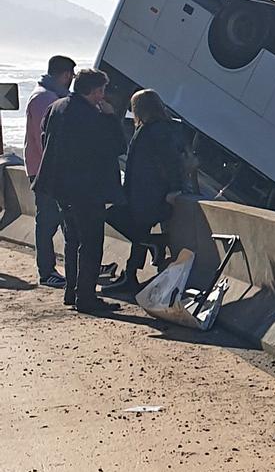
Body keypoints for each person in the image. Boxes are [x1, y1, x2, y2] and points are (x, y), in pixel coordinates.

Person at [34, 68, 126, 314]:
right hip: (87, 189)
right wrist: (111, 117)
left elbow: (45, 139)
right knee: (91, 243)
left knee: (72, 239)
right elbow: (117, 146)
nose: (103, 96)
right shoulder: (92, 117)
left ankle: (71, 291)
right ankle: (86, 298)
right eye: (102, 90)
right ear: (94, 91)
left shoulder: (57, 107)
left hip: (61, 187)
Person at [104, 90, 192, 297]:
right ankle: (131, 274)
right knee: (138, 230)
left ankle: (153, 245)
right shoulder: (161, 128)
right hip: (146, 190)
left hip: (148, 192)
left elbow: (170, 162)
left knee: (117, 218)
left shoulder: (155, 130)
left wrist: (173, 190)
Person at [22, 54, 74, 288]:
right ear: (64, 75)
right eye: (71, 75)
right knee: (48, 221)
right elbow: (45, 140)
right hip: (46, 171)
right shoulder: (46, 99)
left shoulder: (44, 94)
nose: (72, 79)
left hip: (44, 169)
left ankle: (74, 262)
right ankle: (47, 271)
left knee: (63, 219)